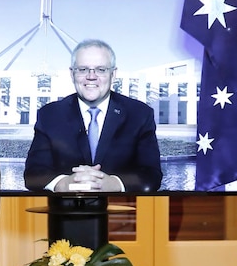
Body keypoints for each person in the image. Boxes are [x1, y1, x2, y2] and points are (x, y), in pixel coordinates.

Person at [23, 39, 163, 193]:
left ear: (113, 74)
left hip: (120, 212)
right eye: (83, 69)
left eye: (101, 69)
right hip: (64, 213)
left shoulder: (139, 115)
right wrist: (63, 183)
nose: (91, 76)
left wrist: (114, 184)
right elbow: (32, 174)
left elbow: (152, 175)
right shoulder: (50, 115)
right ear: (72, 73)